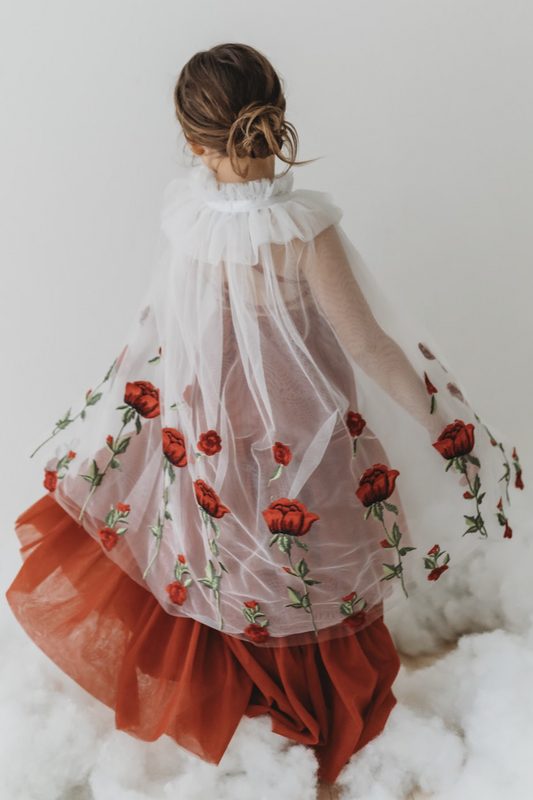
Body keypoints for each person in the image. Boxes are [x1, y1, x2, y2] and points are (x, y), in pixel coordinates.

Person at [6, 42, 523, 798]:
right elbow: (368, 344)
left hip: (212, 436)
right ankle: (315, 710)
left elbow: (169, 335)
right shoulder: (303, 232)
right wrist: (441, 421)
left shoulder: (186, 217)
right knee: (306, 573)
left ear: (190, 141)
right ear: (275, 118)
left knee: (228, 563)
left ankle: (249, 697)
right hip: (299, 441)